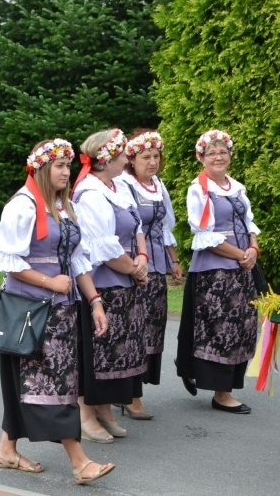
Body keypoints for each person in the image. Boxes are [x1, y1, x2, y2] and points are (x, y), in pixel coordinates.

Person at [0, 138, 115, 485]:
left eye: (68, 166)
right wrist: (49, 282)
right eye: (59, 166)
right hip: (34, 311)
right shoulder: (23, 205)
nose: (65, 172)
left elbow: (77, 259)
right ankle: (80, 462)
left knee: (41, 384)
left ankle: (6, 450)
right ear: (42, 169)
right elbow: (6, 261)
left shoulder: (64, 206)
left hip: (63, 310)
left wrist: (95, 301)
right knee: (51, 385)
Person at [175, 129, 260, 414]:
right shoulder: (198, 189)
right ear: (202, 158)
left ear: (230, 155)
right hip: (216, 271)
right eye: (211, 153)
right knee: (221, 328)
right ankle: (220, 393)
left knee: (243, 326)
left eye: (223, 151)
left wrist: (253, 250)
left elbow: (249, 224)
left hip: (242, 266)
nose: (218, 157)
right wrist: (240, 255)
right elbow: (204, 235)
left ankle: (208, 376)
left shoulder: (236, 187)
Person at [72, 128, 148, 442]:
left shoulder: (119, 186)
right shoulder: (90, 193)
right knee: (96, 351)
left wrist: (142, 257)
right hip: (103, 282)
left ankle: (103, 409)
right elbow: (102, 248)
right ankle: (85, 415)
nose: (126, 158)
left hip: (126, 278)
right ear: (107, 160)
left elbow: (137, 225)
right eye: (122, 155)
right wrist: (134, 269)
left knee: (114, 352)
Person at [117, 130, 182, 420]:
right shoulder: (124, 185)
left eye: (156, 156)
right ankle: (129, 394)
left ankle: (135, 388)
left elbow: (164, 226)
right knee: (135, 328)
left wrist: (174, 260)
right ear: (131, 159)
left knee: (153, 328)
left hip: (156, 267)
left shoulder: (157, 185)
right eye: (146, 157)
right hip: (134, 265)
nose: (153, 162)